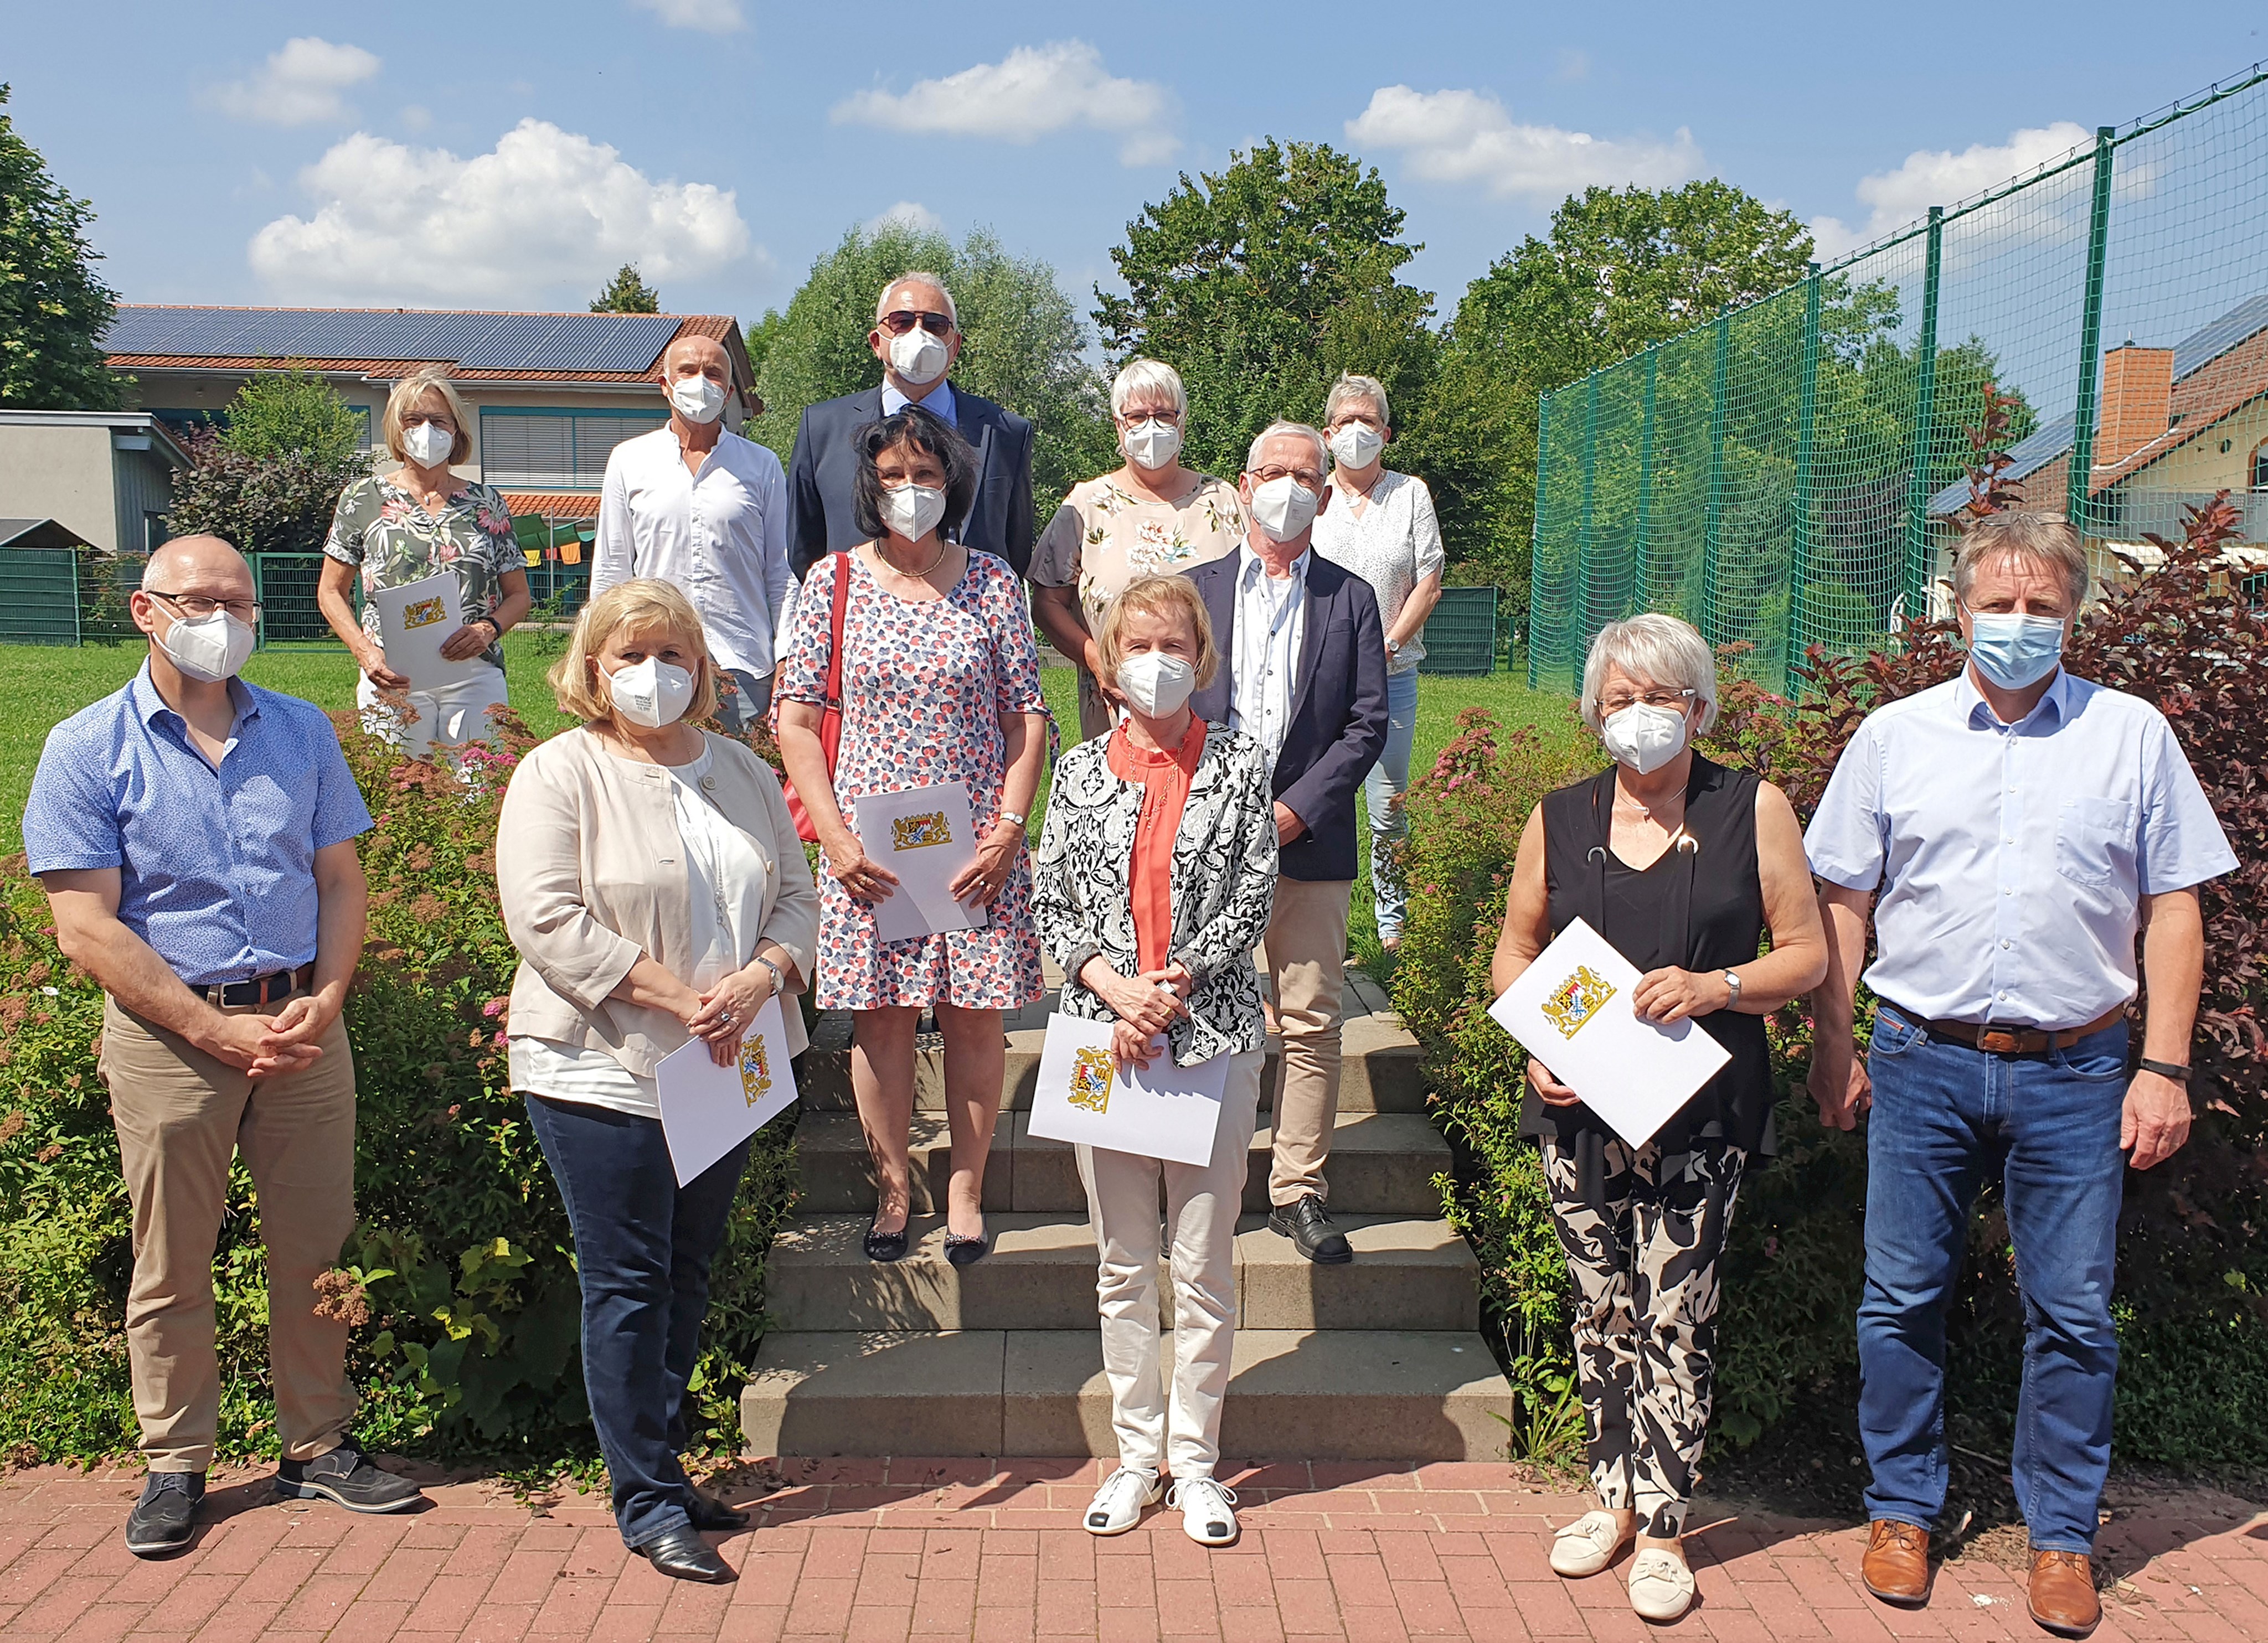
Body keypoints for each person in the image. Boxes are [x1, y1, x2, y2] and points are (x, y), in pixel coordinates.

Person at [1805, 512, 2235, 1638]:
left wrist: (2163, 1067)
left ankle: (2059, 1537)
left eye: (2040, 605)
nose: (2015, 623)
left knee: (2075, 1312)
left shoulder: (2128, 735)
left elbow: (2173, 906)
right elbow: (1840, 903)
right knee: (1898, 1295)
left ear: (2072, 613)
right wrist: (1832, 1045)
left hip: (2080, 1067)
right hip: (1916, 1058)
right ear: (1955, 610)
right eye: (1995, 603)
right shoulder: (1892, 737)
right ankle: (1899, 1507)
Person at [23, 535, 425, 1558]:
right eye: (200, 600)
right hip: (172, 1036)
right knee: (172, 1260)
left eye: (239, 601)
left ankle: (318, 1441)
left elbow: (339, 876)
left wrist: (329, 996)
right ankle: (177, 1459)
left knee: (316, 1248)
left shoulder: (299, 731)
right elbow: (86, 924)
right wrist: (208, 1026)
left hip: (298, 1027)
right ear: (144, 611)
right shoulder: (88, 746)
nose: (223, 618)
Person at [1488, 613, 1827, 1624]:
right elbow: (1515, 951)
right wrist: (1539, 1044)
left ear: (1699, 705)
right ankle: (1609, 1497)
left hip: (1704, 1114)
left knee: (1676, 1314)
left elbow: (1806, 954)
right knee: (1601, 1310)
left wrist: (1719, 984)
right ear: (1594, 712)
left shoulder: (1751, 807)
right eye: (1622, 697)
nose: (1642, 715)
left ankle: (1668, 1521)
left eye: (1663, 695)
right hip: (1580, 1113)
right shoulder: (1558, 815)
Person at [497, 578, 818, 1584]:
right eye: (630, 655)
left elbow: (798, 899)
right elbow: (546, 920)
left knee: (687, 1271)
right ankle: (643, 1501)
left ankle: (666, 1469)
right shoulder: (560, 772)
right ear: (593, 668)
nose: (653, 673)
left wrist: (761, 976)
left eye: (673, 654)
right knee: (629, 1279)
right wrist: (682, 998)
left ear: (703, 670)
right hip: (604, 1065)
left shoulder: (741, 770)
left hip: (728, 1058)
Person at [1032, 576, 1278, 1549]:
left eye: (1174, 642)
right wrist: (1116, 987)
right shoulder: (1080, 770)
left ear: (1202, 656)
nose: (1156, 659)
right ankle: (1138, 1456)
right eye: (1137, 643)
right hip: (1105, 1037)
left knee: (1204, 1262)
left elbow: (1252, 889)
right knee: (1123, 1261)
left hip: (1208, 1034)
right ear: (1105, 660)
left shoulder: (1241, 761)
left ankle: (1198, 1463)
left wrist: (1167, 988)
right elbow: (1053, 899)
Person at [775, 405, 1051, 1267]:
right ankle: (894, 1188)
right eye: (892, 477)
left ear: (951, 484)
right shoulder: (832, 584)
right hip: (871, 855)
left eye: (924, 476)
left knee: (974, 1022)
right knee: (882, 1023)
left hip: (974, 852)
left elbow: (1028, 718)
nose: (909, 491)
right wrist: (834, 839)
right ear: (870, 487)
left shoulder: (995, 583)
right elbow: (794, 720)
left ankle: (966, 1187)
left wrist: (1009, 829)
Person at [1183, 421, 1388, 1265]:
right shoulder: (1193, 591)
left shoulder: (1352, 598)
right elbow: (1166, 703)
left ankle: (1297, 1192)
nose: (1289, 486)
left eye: (1306, 474)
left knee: (1308, 1019)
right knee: (1199, 1009)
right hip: (1203, 842)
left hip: (1309, 841)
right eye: (1274, 472)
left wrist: (1295, 811)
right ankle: (1204, 1185)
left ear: (1326, 492)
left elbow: (1366, 721)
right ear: (1242, 485)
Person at [1029, 358, 1248, 741]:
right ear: (1118, 423)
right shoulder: (1086, 504)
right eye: (1138, 416)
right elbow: (1047, 602)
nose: (1152, 426)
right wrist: (1097, 661)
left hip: (1209, 706)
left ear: (1182, 422)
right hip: (1114, 705)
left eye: (1164, 414)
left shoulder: (1224, 501)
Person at [319, 366, 530, 759]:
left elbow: (518, 595)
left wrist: (488, 629)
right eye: (413, 420)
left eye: (437, 420)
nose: (425, 430)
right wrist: (365, 652)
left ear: (456, 430)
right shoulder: (362, 497)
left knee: (479, 788)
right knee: (402, 794)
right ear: (397, 430)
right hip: (393, 674)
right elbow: (331, 590)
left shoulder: (486, 502)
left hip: (473, 673)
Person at [592, 332, 792, 733]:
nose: (700, 381)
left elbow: (782, 573)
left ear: (730, 390)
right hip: (654, 664)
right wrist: (600, 656)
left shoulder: (762, 466)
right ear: (665, 386)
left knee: (742, 785)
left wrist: (787, 657)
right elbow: (612, 569)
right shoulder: (629, 461)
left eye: (713, 373)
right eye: (688, 370)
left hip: (743, 666)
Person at [1308, 373, 1444, 950]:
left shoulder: (1409, 493)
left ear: (1385, 432)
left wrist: (1384, 644)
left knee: (1389, 806)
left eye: (1369, 421)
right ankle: (1315, 918)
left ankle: (1393, 927)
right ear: (1328, 432)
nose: (1357, 431)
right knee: (1313, 798)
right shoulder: (1310, 493)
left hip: (1392, 675)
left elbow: (1429, 580)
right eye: (1346, 422)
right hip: (1316, 678)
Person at [785, 271, 1036, 580]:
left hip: (969, 618)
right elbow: (803, 549)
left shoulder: (1006, 433)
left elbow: (1017, 548)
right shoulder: (821, 428)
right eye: (902, 322)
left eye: (935, 324)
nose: (919, 334)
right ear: (877, 342)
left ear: (954, 346)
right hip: (859, 618)